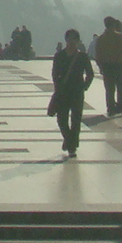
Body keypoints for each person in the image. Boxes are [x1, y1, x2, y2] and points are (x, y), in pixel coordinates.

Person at [49, 29, 94, 157]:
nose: (72, 42)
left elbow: (90, 74)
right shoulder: (59, 56)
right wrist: (58, 86)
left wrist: (84, 87)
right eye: (70, 39)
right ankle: (70, 140)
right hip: (63, 91)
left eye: (74, 39)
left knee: (76, 120)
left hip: (76, 92)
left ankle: (71, 146)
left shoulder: (82, 56)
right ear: (66, 40)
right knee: (61, 119)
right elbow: (54, 73)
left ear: (78, 41)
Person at [94, 18, 122, 117]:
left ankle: (111, 108)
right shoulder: (119, 37)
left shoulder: (101, 38)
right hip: (118, 64)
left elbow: (98, 54)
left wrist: (100, 66)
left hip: (106, 66)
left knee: (109, 89)